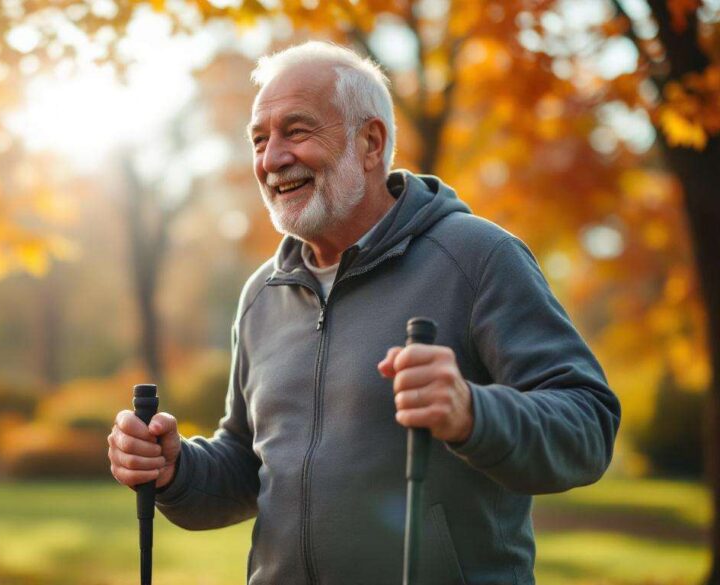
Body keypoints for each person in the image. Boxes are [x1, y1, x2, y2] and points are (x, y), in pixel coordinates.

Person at [106, 41, 620, 585]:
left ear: (370, 143)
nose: (271, 159)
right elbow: (249, 464)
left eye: (296, 131)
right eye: (259, 139)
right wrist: (175, 469)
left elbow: (588, 424)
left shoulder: (478, 257)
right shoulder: (262, 294)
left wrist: (473, 413)